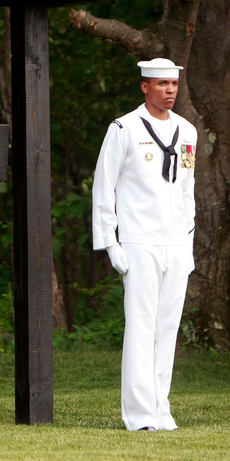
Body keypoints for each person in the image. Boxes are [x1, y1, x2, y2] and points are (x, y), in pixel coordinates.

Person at [91, 57, 197, 432]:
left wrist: (188, 243)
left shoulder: (187, 131)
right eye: (161, 84)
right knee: (140, 327)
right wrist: (110, 242)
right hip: (138, 241)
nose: (169, 90)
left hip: (174, 244)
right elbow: (104, 186)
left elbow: (187, 190)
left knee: (167, 329)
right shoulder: (124, 128)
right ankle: (139, 415)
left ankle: (160, 408)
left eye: (173, 84)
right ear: (144, 87)